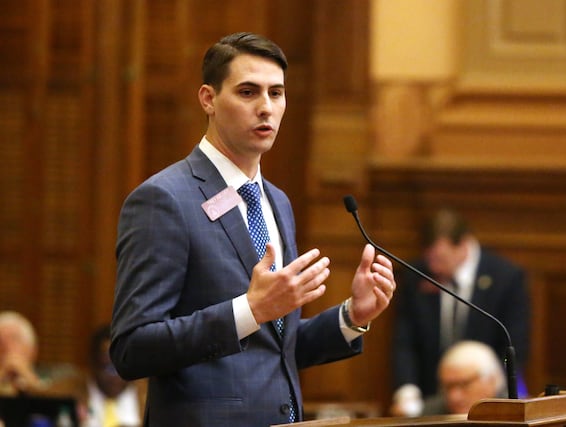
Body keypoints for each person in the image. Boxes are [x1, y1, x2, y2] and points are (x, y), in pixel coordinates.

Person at [110, 32, 396, 427]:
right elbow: (132, 348)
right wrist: (249, 310)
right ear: (208, 99)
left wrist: (351, 316)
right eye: (248, 92)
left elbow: (274, 348)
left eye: (276, 93)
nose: (266, 108)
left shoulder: (276, 202)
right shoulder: (164, 200)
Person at [389, 208, 530, 416]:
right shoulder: (416, 276)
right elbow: (405, 342)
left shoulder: (506, 278)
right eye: (429, 259)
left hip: (488, 400)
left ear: (464, 245)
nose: (433, 267)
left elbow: (515, 344)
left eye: (440, 259)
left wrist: (494, 384)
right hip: (433, 402)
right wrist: (407, 391)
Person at [80, 324, 146, 427]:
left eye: (122, 369)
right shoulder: (69, 394)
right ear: (93, 363)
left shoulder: (150, 396)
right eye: (109, 368)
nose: (116, 377)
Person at [421, 340, 508, 416]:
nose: (454, 397)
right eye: (447, 387)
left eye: (464, 384)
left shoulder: (516, 413)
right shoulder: (428, 415)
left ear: (491, 380)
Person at [0, 311, 43, 395]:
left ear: (32, 349)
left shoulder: (62, 375)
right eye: (0, 342)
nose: (7, 347)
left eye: (15, 339)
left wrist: (29, 378)